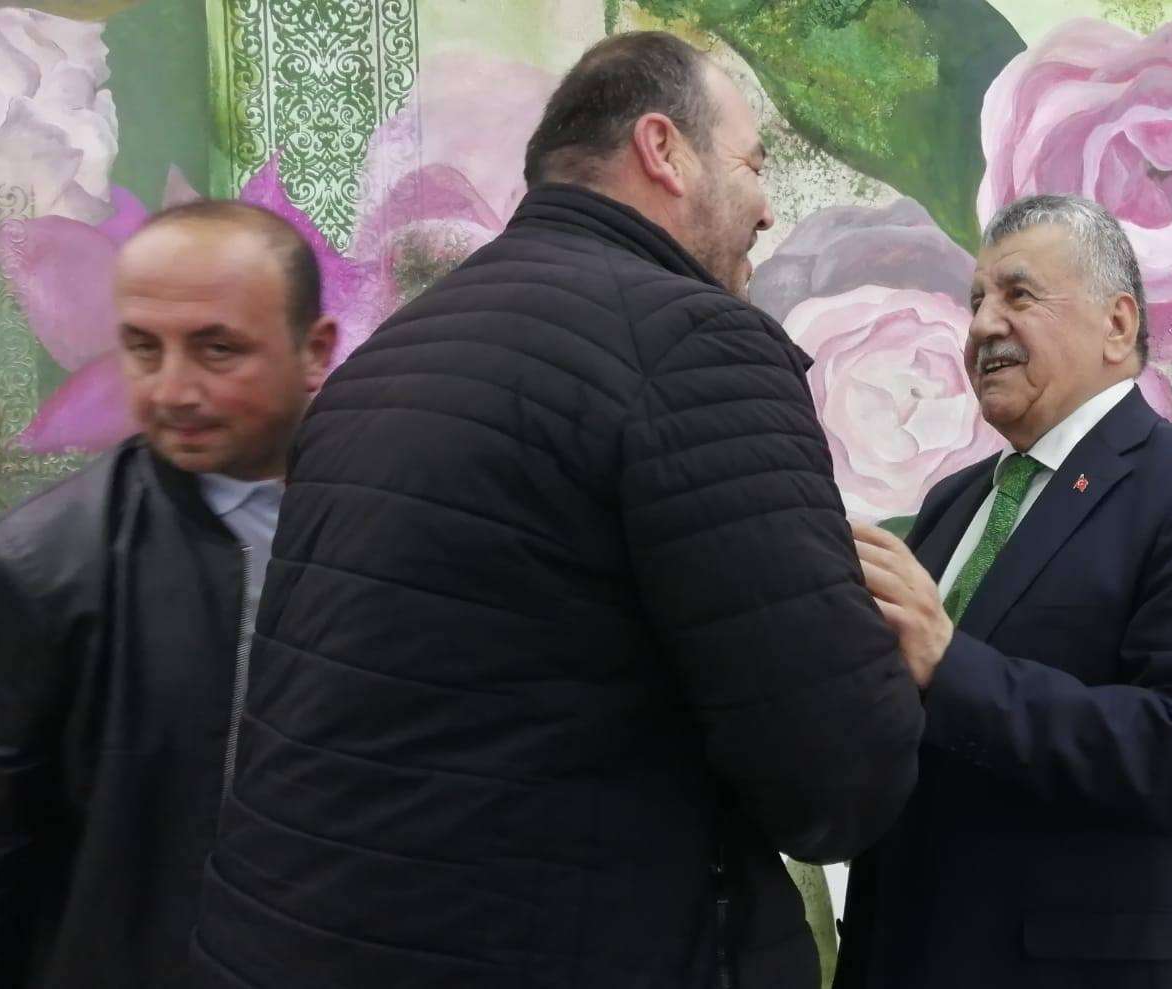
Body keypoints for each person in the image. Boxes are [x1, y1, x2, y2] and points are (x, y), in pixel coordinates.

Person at [187, 31, 924, 988]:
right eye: (752, 165)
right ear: (663, 149)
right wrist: (896, 662)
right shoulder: (696, 345)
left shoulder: (384, 363)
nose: (767, 207)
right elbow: (833, 780)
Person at [837, 195, 1172, 989]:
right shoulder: (955, 502)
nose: (983, 325)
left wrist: (951, 664)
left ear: (1118, 325)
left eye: (1018, 294)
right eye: (976, 301)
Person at [0, 201, 338, 989]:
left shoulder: (391, 528)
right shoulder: (44, 563)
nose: (173, 389)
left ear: (316, 349)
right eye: (142, 348)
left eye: (217, 349)